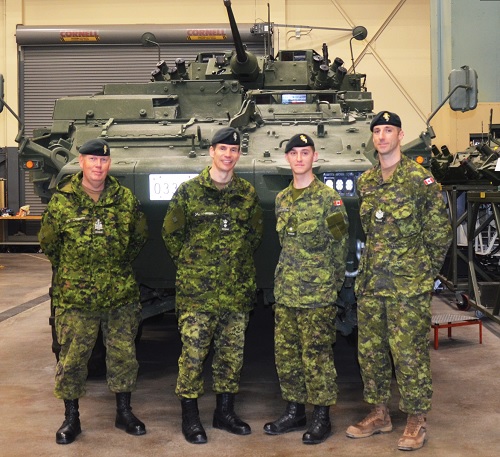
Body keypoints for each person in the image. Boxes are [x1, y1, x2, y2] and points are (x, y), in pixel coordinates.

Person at [345, 111, 452, 451]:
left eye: (388, 130)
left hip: (409, 285)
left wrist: (424, 274)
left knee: (409, 353)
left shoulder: (420, 181)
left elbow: (440, 233)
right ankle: (379, 414)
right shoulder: (367, 182)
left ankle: (416, 419)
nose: (382, 137)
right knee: (371, 352)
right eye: (377, 131)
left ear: (400, 136)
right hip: (374, 282)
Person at [38, 138, 149, 445]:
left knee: (124, 355)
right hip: (77, 297)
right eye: (92, 160)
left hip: (119, 294)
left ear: (108, 164)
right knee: (73, 358)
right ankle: (71, 418)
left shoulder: (124, 199)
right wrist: (78, 273)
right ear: (82, 162)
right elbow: (50, 244)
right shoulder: (63, 202)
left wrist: (114, 268)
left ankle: (124, 411)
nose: (98, 165)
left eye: (103, 160)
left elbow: (138, 238)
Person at [162, 126, 263, 444]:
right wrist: (194, 267)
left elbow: (254, 236)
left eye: (233, 151)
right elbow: (171, 235)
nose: (228, 155)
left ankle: (224, 413)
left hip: (235, 291)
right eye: (223, 149)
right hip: (197, 293)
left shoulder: (246, 193)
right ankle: (190, 417)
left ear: (238, 155)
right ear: (212, 152)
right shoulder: (189, 192)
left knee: (231, 356)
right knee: (193, 355)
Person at [263, 133, 349, 445]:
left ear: (314, 157)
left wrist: (330, 287)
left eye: (305, 152)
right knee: (286, 355)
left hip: (317, 294)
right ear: (287, 159)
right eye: (294, 153)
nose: (299, 158)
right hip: (286, 292)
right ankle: (294, 410)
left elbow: (340, 247)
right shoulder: (281, 200)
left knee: (317, 356)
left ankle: (322, 416)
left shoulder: (330, 199)